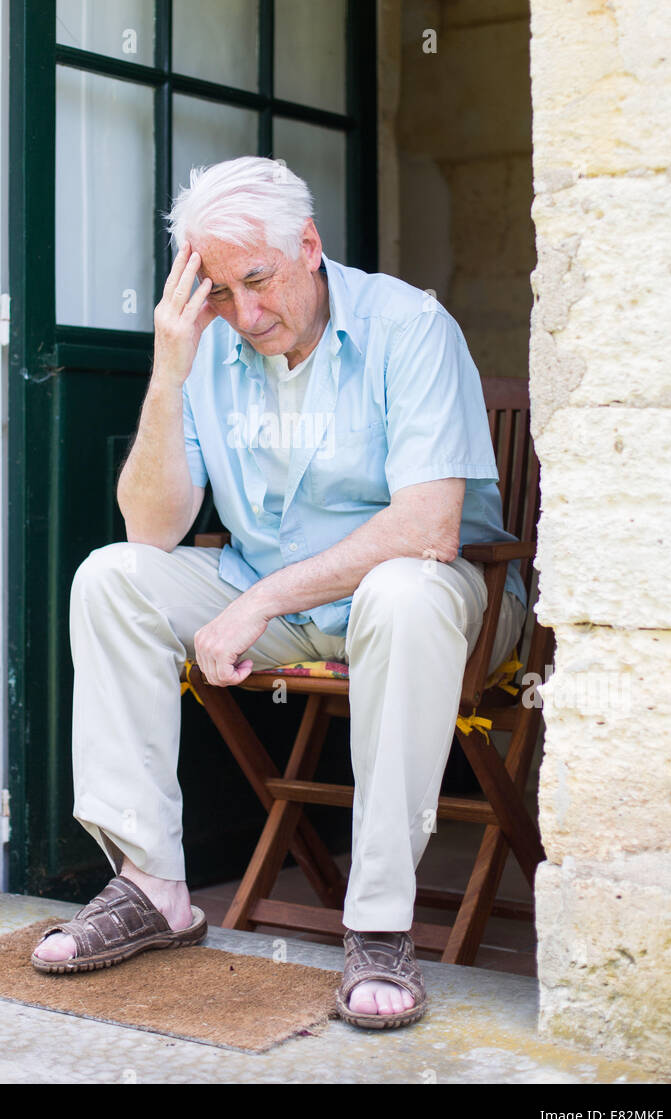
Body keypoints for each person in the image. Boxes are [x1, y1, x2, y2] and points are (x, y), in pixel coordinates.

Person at [31, 156, 527, 1030]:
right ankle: (152, 887)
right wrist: (168, 371)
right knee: (110, 577)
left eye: (256, 281)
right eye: (217, 291)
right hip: (272, 589)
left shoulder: (408, 326)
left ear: (308, 244)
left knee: (402, 595)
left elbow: (428, 529)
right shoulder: (210, 343)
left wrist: (261, 603)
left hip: (438, 597)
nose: (245, 314)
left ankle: (379, 926)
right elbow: (151, 528)